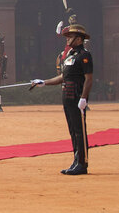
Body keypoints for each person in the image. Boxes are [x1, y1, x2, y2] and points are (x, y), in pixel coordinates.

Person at [32, 23, 93, 175]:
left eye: (70, 37)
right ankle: (76, 160)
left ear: (79, 39)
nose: (67, 39)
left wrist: (84, 98)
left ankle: (83, 164)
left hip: (77, 97)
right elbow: (62, 77)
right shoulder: (69, 56)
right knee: (72, 131)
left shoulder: (84, 55)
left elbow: (89, 79)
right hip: (67, 96)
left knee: (80, 131)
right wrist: (44, 82)